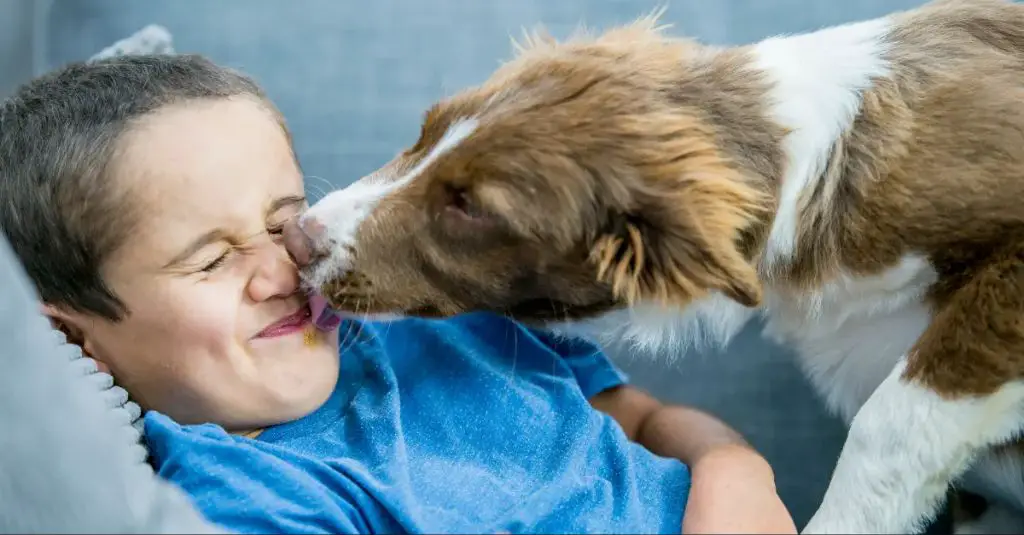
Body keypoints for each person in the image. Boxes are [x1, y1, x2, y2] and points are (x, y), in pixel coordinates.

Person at [0, 54, 796, 534]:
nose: (285, 272)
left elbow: (645, 418)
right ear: (74, 342)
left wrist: (733, 467)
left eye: (286, 223)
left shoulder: (445, 315)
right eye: (210, 260)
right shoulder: (245, 492)